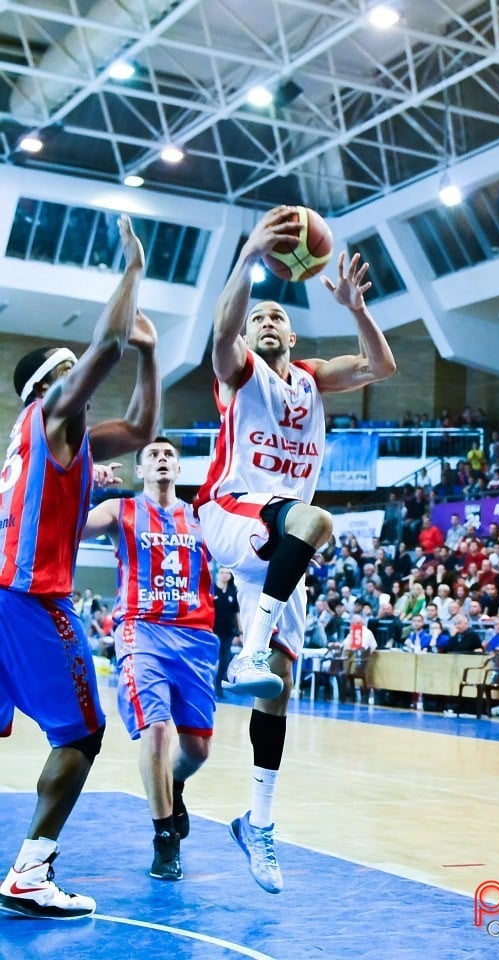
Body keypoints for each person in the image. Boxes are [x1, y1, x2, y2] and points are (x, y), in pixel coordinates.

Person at [193, 205, 395, 894]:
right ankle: (245, 648)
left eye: (279, 314)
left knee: (276, 694)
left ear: (295, 331)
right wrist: (249, 251)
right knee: (312, 520)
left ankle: (259, 823)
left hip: (280, 548)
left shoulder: (310, 378)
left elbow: (381, 365)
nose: (268, 320)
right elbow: (222, 330)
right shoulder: (238, 371)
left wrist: (358, 307)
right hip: (230, 510)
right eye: (260, 317)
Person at [0, 216, 159, 920]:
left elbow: (144, 427)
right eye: (71, 371)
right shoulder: (53, 416)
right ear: (48, 386)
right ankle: (32, 871)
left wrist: (151, 358)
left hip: (5, 593)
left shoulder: (62, 440)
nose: (83, 378)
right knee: (81, 734)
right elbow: (109, 343)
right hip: (30, 600)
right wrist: (132, 269)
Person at [82, 437, 217, 881]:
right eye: (153, 456)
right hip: (143, 630)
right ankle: (164, 838)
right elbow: (71, 526)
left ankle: (174, 785)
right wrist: (86, 480)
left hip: (196, 636)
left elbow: (247, 550)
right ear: (140, 471)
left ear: (179, 469)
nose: (162, 460)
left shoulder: (202, 517)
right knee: (156, 729)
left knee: (196, 751)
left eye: (169, 456)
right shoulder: (120, 510)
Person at [213, 566, 242, 698]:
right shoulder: (212, 590)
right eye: (222, 572)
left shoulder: (232, 591)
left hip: (228, 632)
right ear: (218, 574)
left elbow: (236, 613)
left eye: (227, 573)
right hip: (213, 631)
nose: (225, 575)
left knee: (224, 660)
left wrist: (240, 632)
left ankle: (218, 686)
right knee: (211, 659)